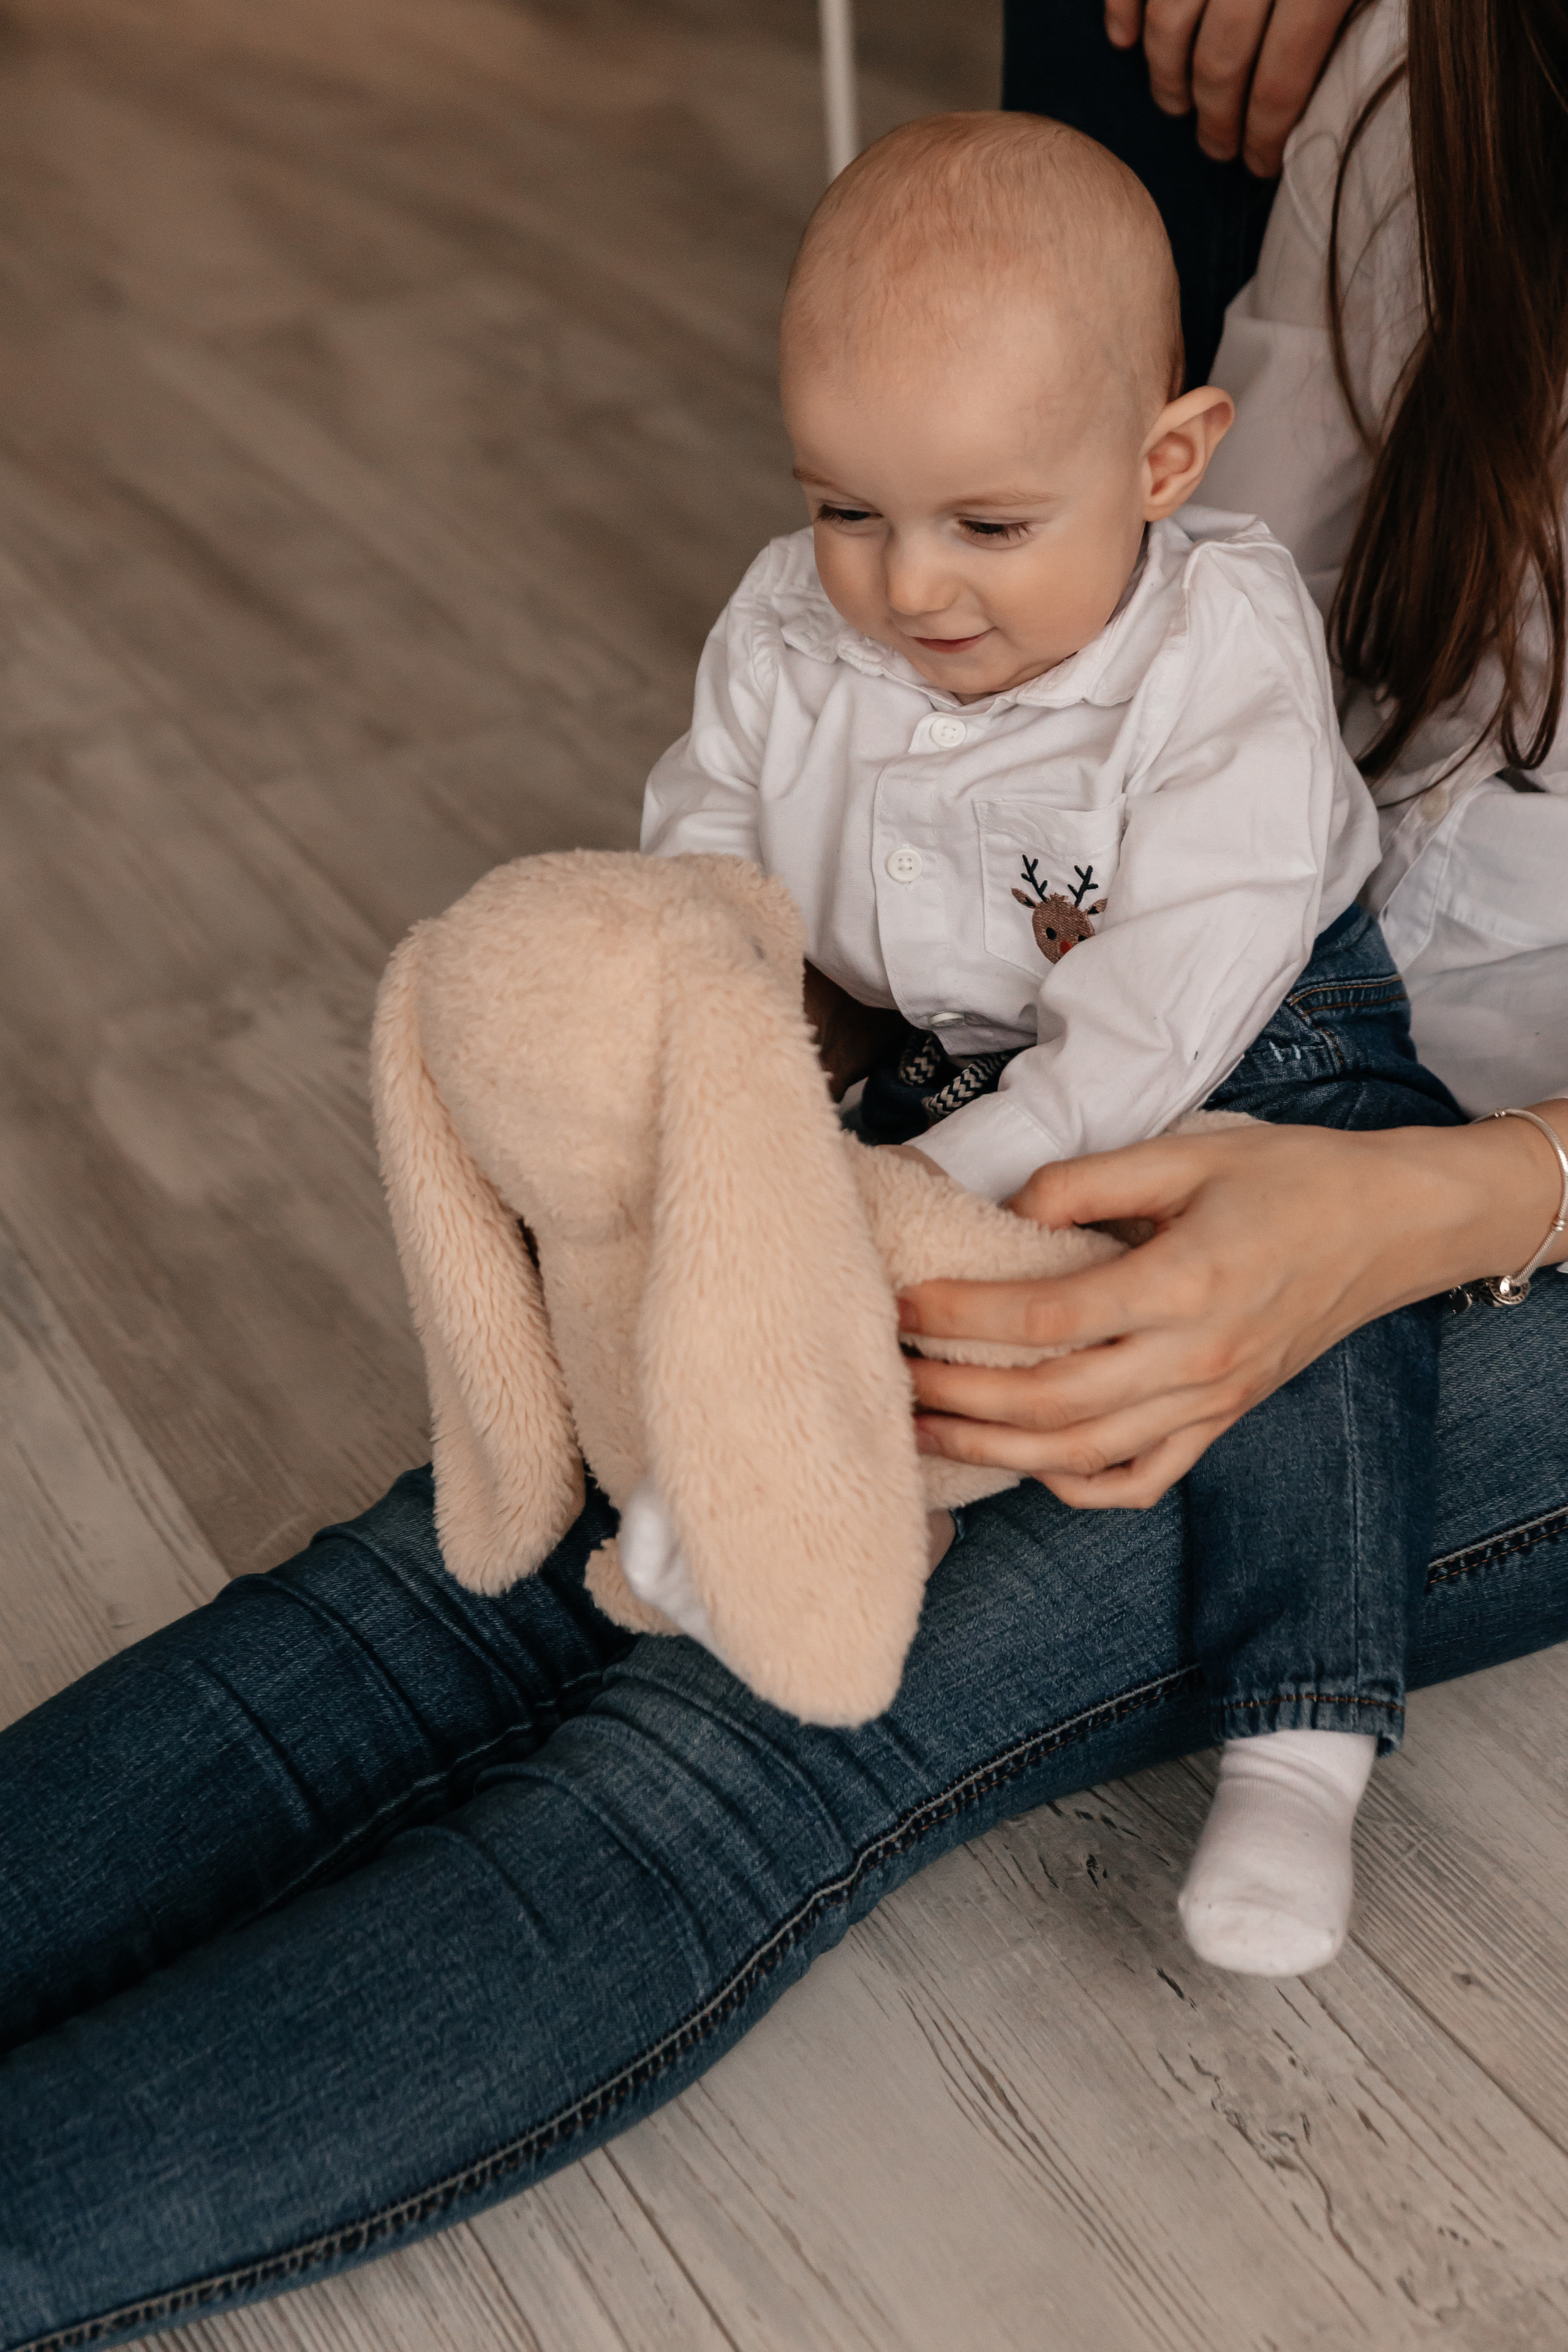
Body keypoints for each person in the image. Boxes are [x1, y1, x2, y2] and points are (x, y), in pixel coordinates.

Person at [0, 0, 1563, 2340]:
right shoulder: (1436, 87)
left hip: (1479, 1198)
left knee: (772, 1699)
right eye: (856, 515)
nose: (901, 572)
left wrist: (1438, 1201)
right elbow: (1170, 591)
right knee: (487, 1555)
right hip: (1124, 1040)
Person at [636, 107, 1456, 1979]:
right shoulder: (792, 621)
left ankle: (1305, 1729)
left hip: (1254, 1048)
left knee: (1313, 1339)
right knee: (764, 1238)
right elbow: (706, 845)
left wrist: (940, 1190)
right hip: (941, 1052)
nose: (909, 588)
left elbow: (1153, 1017)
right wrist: (724, 1041)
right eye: (848, 506)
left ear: (1163, 462)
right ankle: (760, 1496)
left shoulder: (1220, 651)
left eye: (989, 526)